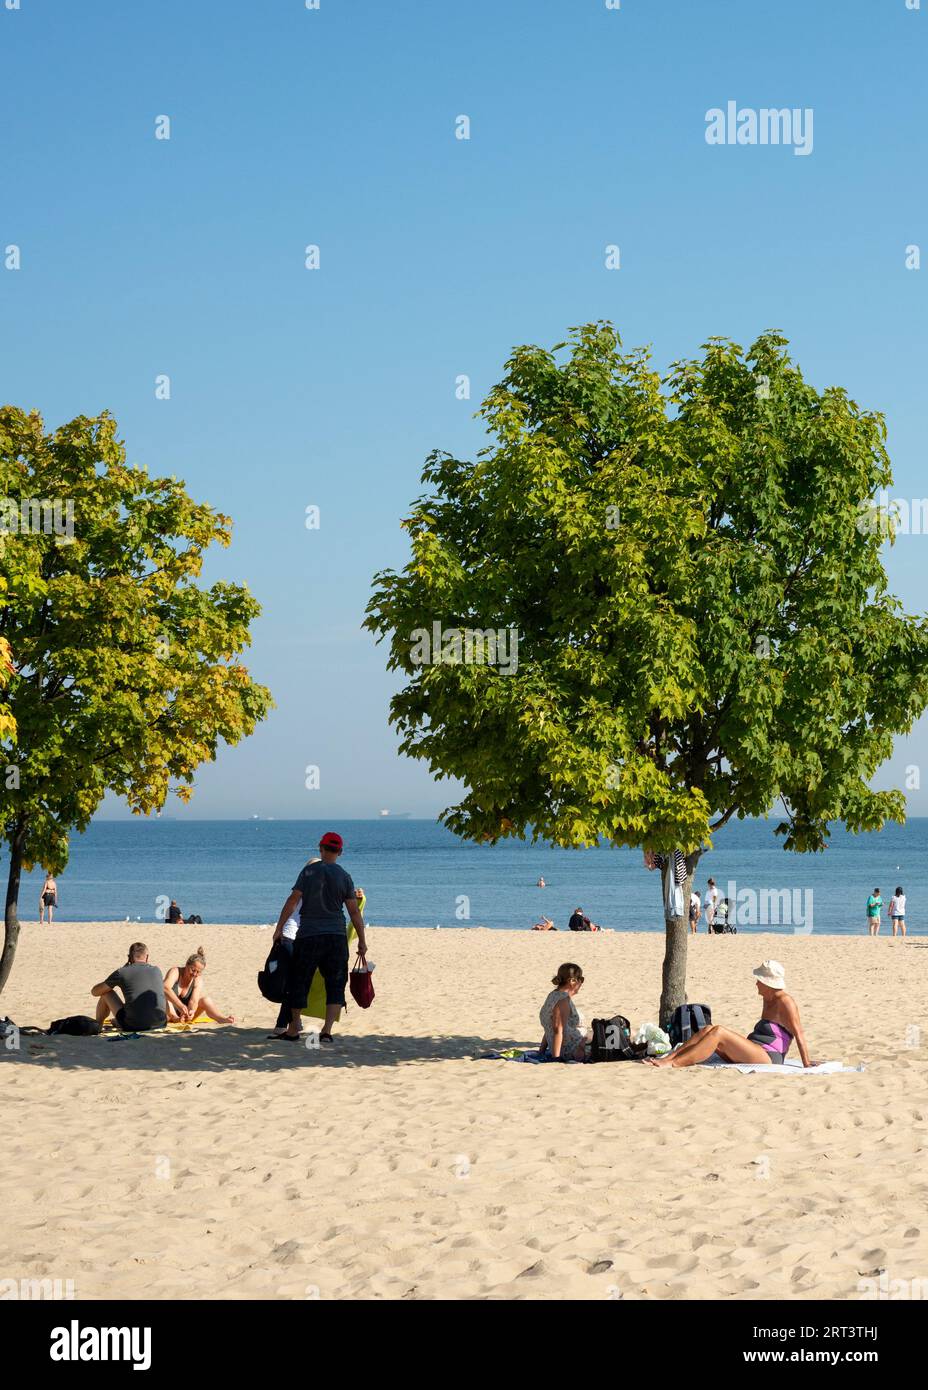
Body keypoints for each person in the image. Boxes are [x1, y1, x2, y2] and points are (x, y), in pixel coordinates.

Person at [272, 831, 368, 1045]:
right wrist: (362, 940)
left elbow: (292, 900)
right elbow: (353, 912)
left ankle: (294, 1027)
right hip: (335, 936)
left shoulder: (308, 872)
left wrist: (279, 928)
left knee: (300, 981)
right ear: (340, 852)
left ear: (321, 848)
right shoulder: (344, 876)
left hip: (309, 935)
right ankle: (326, 1031)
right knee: (335, 984)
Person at [646, 960, 813, 1069]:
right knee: (708, 1029)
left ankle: (674, 1063)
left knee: (718, 1032)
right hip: (755, 1049)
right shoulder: (768, 998)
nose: (756, 983)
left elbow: (799, 1033)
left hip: (769, 1056)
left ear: (768, 983)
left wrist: (807, 1063)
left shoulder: (785, 1002)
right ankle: (670, 1057)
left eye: (759, 980)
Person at [91, 942, 167, 1032]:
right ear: (147, 957)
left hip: (134, 1026)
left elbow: (95, 992)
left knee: (107, 993)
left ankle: (97, 1026)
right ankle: (118, 1022)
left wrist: (119, 974)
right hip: (161, 1024)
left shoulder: (122, 972)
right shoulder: (157, 970)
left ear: (129, 957)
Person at [163, 947, 234, 1024]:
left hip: (184, 1014)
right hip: (168, 1012)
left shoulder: (198, 980)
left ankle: (221, 1019)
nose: (194, 974)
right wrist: (180, 1006)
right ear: (187, 965)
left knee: (206, 1000)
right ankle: (175, 1018)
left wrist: (191, 1012)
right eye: (193, 970)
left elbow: (194, 1001)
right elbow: (165, 988)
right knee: (165, 997)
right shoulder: (175, 972)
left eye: (198, 972)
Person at [538, 963, 591, 1061]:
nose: (581, 983)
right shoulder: (563, 1000)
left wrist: (541, 1051)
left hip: (574, 1044)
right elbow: (557, 1030)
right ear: (572, 981)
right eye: (581, 979)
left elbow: (549, 1027)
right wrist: (556, 1059)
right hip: (574, 1049)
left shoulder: (552, 996)